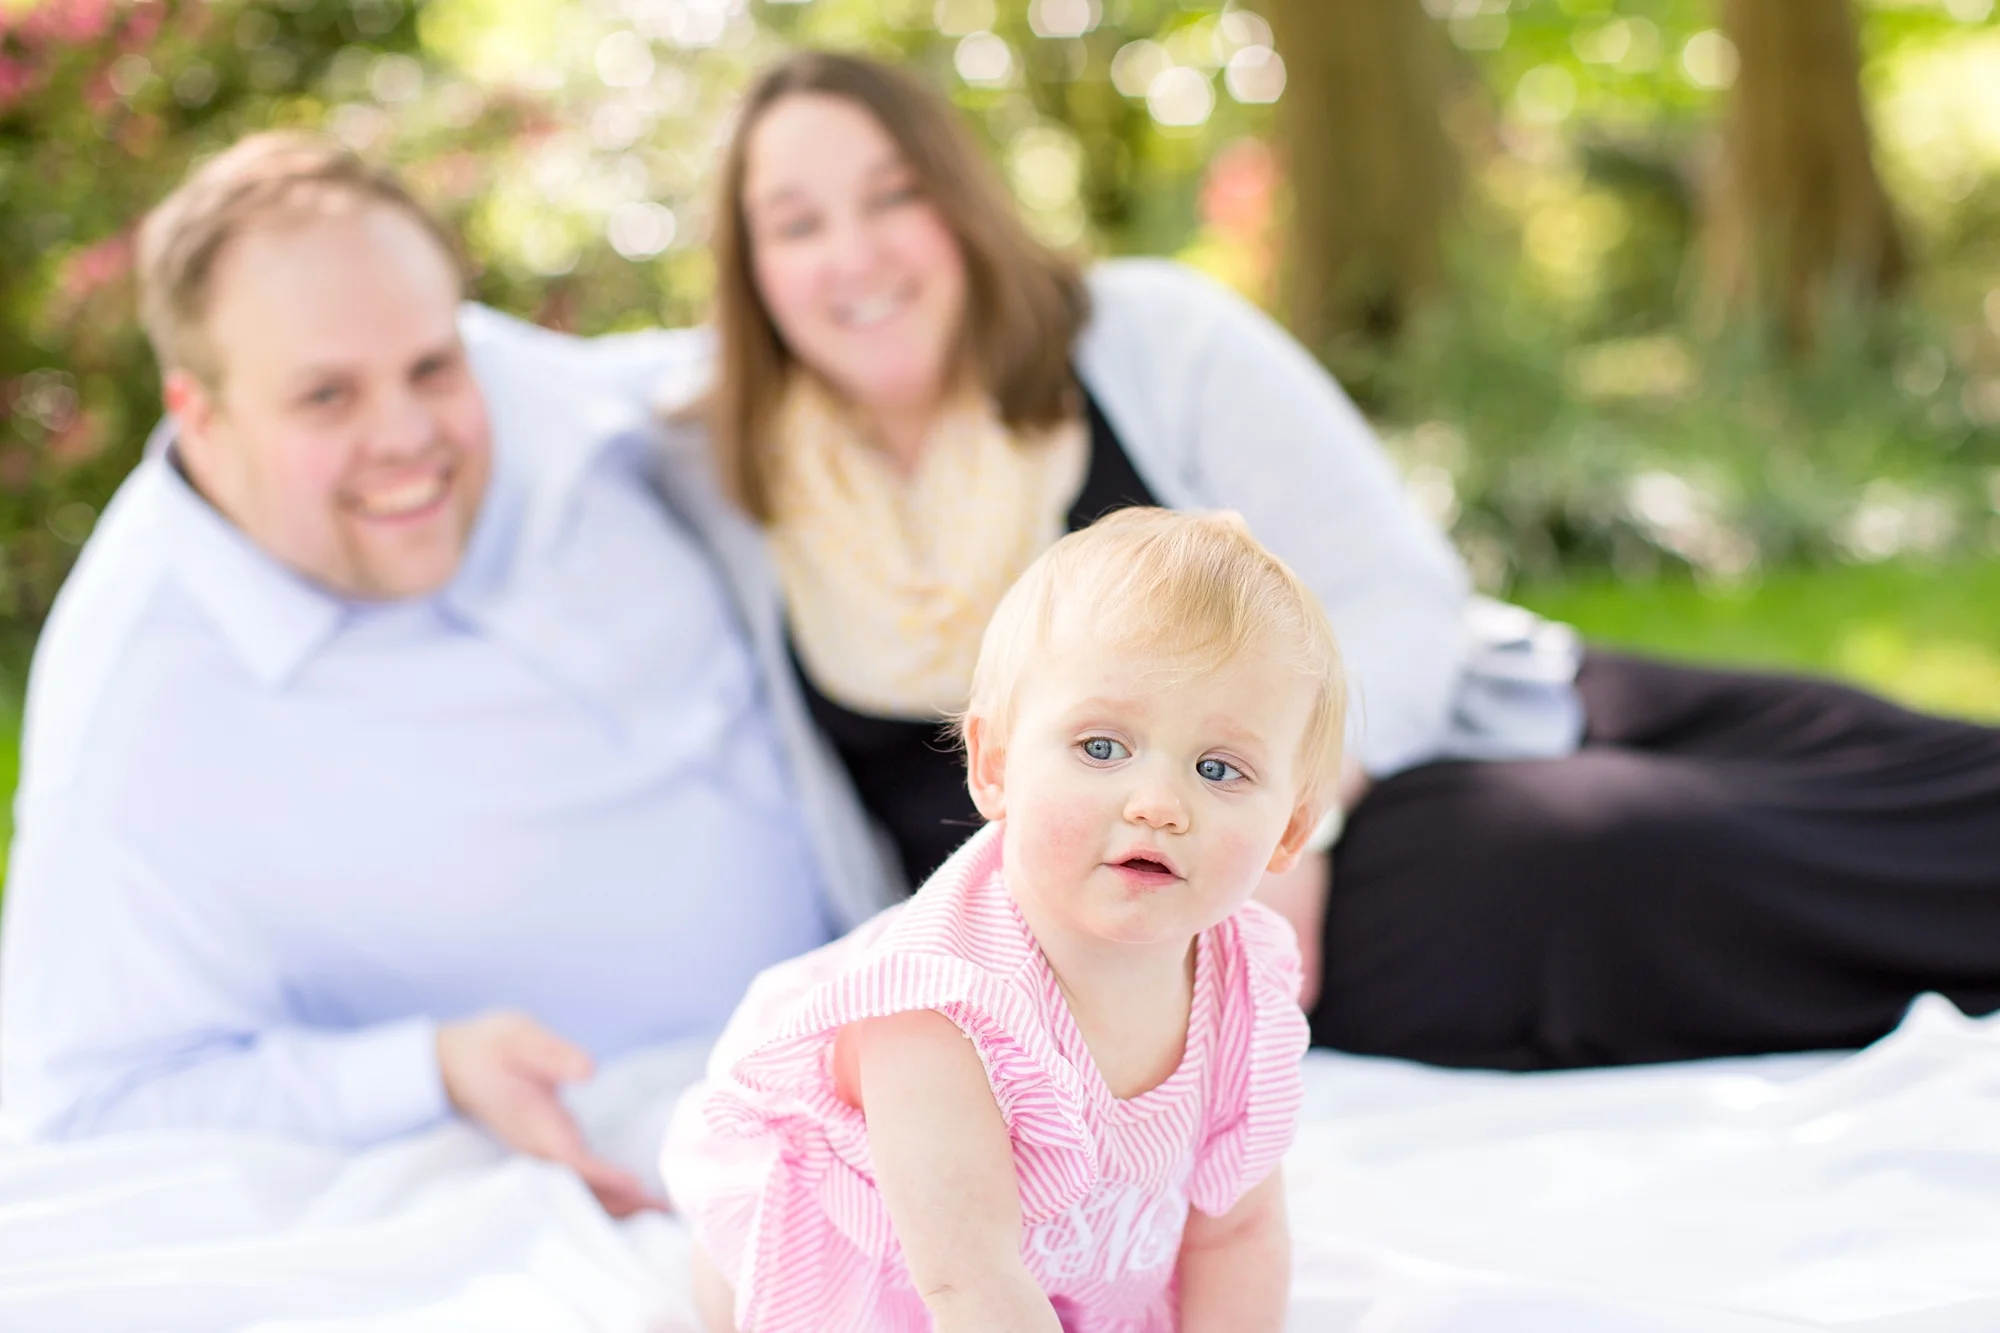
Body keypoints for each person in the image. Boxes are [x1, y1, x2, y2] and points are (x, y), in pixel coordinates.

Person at [656, 49, 2000, 1073]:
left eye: (894, 197)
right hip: (1181, 927)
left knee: (1927, 768)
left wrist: (1298, 812)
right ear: (749, 267)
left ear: (960, 206)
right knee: (1620, 858)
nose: (854, 255)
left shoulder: (1138, 340)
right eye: (796, 222)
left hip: (1375, 750)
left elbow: (1399, 599)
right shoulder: (719, 473)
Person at [0, 134, 883, 1214]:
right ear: (202, 417)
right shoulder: (137, 712)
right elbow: (83, 1102)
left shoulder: (516, 389)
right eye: (326, 398)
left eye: (432, 367)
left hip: (900, 1009)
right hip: (650, 1173)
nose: (408, 434)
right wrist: (424, 1067)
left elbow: (731, 383)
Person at [662, 508, 1325, 1333]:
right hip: (915, 1285)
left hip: (1067, 1278)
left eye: (1218, 767)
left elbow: (1237, 1232)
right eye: (1102, 747)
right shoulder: (938, 1013)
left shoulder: (1244, 981)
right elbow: (972, 1287)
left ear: (1290, 830)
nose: (1158, 804)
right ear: (996, 765)